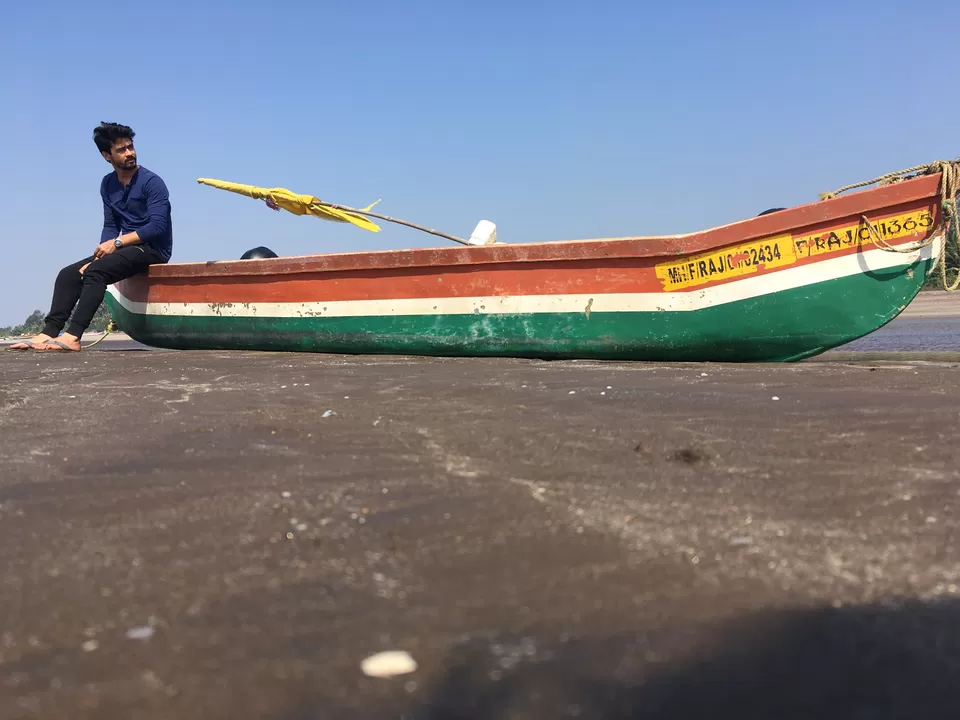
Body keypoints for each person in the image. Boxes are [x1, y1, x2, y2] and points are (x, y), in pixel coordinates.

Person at [10, 122, 173, 352]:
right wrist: (99, 255)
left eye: (130, 147)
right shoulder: (108, 184)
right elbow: (111, 225)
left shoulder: (152, 182)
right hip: (126, 250)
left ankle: (73, 336)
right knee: (69, 274)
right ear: (107, 155)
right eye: (121, 150)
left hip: (152, 249)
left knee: (96, 272)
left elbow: (157, 227)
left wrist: (115, 245)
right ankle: (48, 332)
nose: (130, 153)